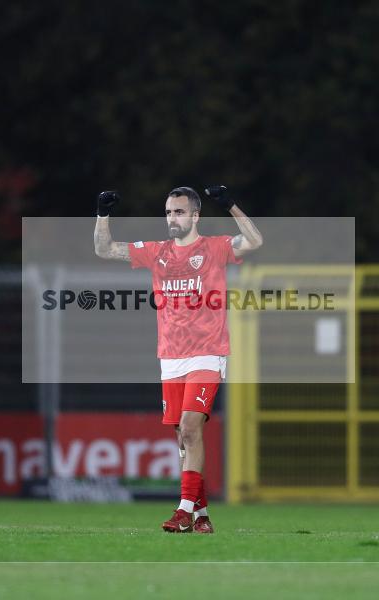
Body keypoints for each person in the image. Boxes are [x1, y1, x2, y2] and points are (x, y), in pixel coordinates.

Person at [94, 185, 263, 533]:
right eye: (169, 212)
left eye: (180, 212)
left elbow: (255, 240)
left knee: (189, 428)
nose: (173, 218)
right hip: (170, 357)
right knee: (185, 439)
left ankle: (183, 511)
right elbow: (105, 249)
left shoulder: (214, 248)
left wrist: (230, 205)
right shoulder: (156, 252)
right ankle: (201, 516)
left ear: (195, 215)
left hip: (208, 353)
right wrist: (102, 213)